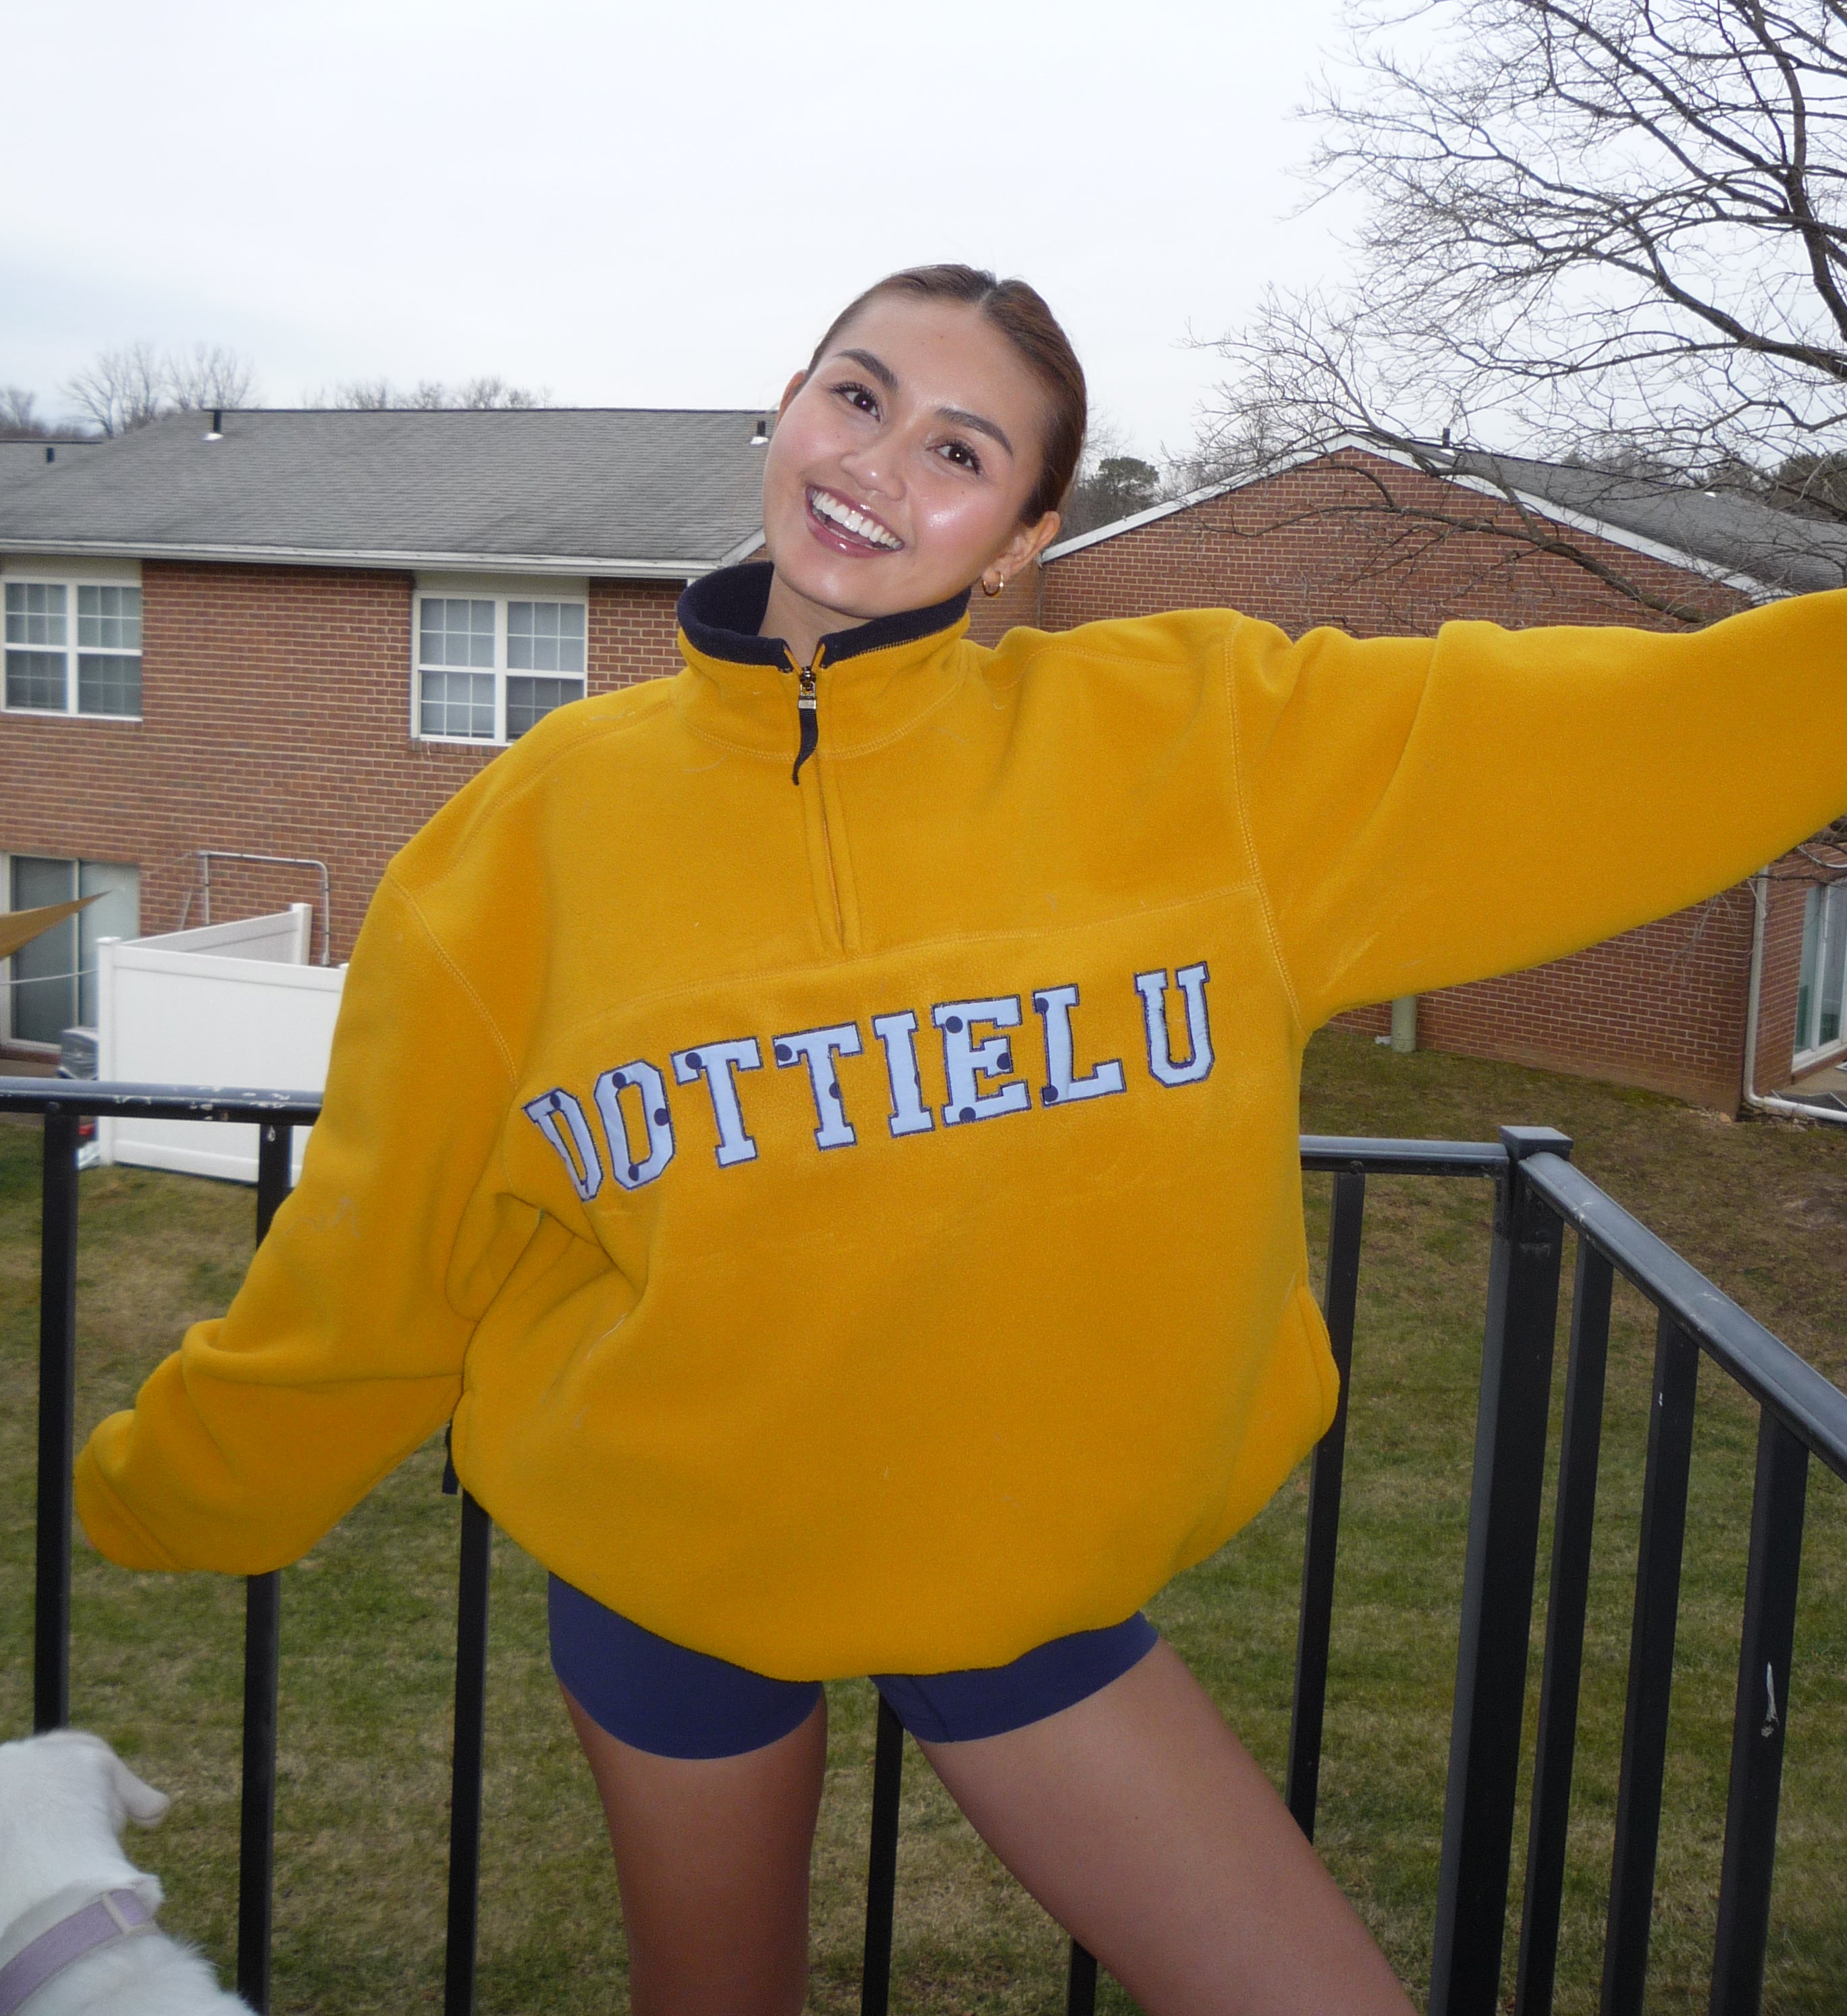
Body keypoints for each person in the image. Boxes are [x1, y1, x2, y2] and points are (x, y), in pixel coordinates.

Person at [75, 265, 1847, 2016]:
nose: (877, 463)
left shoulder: (1201, 749)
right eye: (857, 396)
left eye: (959, 449)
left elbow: (1617, 741)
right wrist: (169, 1489)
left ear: (1022, 537)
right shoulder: (523, 840)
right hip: (672, 1580)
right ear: (786, 408)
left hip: (1017, 1583)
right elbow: (391, 1239)